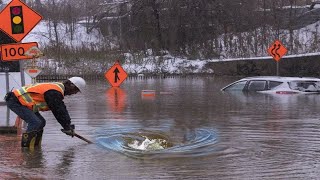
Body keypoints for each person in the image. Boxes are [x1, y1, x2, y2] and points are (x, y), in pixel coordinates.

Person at [4, 77, 86, 148]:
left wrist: (68, 126)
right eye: (76, 90)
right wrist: (67, 126)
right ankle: (26, 148)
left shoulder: (56, 88)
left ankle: (35, 146)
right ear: (71, 85)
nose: (74, 93)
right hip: (15, 101)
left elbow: (61, 108)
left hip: (23, 103)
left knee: (41, 122)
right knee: (35, 122)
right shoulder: (54, 92)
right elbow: (59, 110)